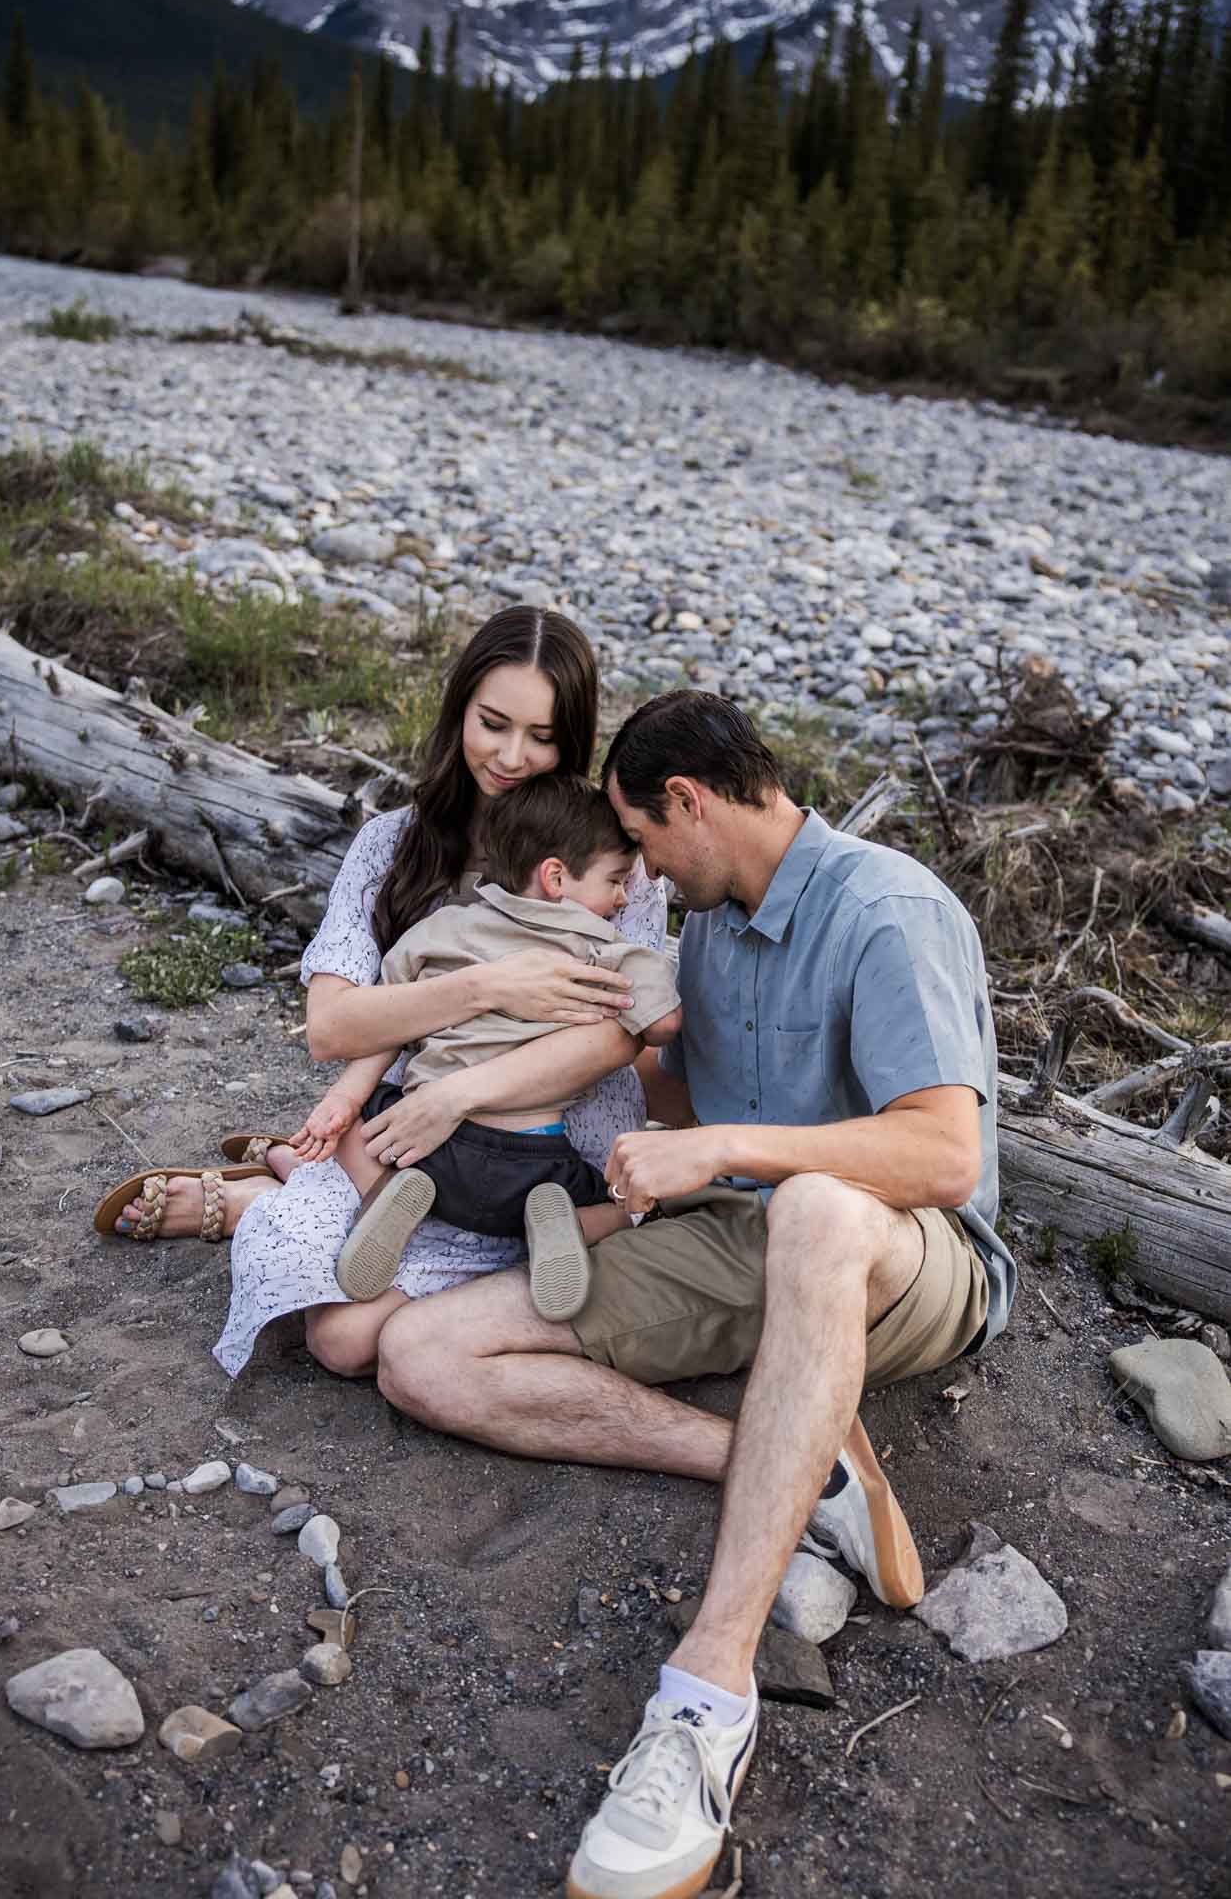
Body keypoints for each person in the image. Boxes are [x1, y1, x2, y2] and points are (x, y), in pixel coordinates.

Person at [364, 689, 1017, 1899]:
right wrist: (590, 1039)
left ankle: (706, 1698)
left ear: (689, 803)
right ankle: (807, 1463)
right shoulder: (707, 924)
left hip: (908, 1259)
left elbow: (943, 1158)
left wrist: (722, 1148)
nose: (646, 874)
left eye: (647, 842)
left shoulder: (887, 908)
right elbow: (680, 1106)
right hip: (738, 1237)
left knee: (817, 1206)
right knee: (421, 1355)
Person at [91, 606, 668, 1383]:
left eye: (542, 736)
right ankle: (288, 1187)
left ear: (574, 737)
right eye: (492, 723)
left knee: (351, 1340)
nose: (511, 756)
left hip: (554, 1130)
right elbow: (333, 1028)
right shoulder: (394, 843)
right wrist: (487, 985)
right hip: (415, 1142)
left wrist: (459, 1095)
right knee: (339, 1341)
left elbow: (618, 1036)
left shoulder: (607, 858)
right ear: (457, 708)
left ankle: (273, 1188)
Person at [291, 771, 681, 1321]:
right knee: (619, 1203)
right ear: (556, 878)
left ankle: (392, 1194)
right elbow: (661, 1026)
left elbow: (394, 1022)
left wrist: (346, 1098)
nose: (622, 898)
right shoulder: (602, 946)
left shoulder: (446, 929)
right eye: (616, 881)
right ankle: (557, 1222)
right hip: (534, 1155)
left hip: (431, 1148)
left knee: (365, 1128)